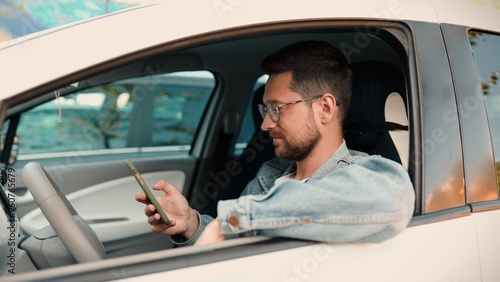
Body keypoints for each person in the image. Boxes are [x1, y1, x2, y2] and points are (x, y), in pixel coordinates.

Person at [135, 40, 415, 246]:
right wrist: (191, 223)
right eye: (265, 110)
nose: (266, 124)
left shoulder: (360, 172)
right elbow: (231, 239)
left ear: (325, 109)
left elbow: (392, 198)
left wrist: (232, 220)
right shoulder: (270, 173)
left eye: (277, 108)